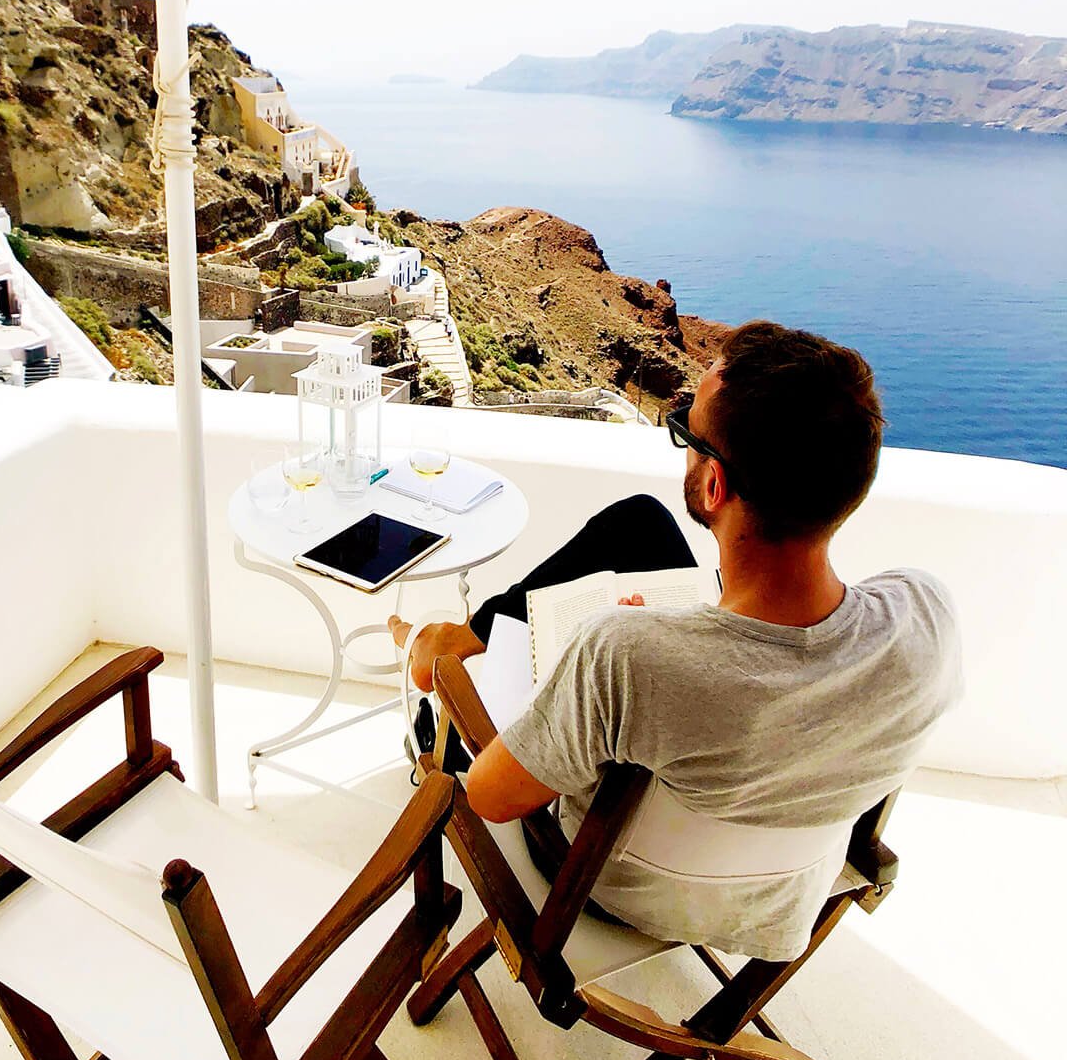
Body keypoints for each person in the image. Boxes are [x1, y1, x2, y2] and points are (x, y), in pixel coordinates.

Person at [390, 320, 962, 960]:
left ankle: (441, 650)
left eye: (686, 430)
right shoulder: (925, 613)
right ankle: (458, 638)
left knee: (486, 693)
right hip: (780, 897)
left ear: (715, 484)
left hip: (607, 884)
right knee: (640, 522)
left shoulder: (625, 656)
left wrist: (582, 666)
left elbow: (492, 800)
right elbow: (787, 680)